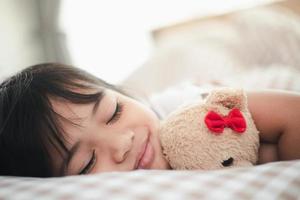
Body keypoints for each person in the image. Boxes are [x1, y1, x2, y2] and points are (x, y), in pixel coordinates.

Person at [0, 63, 299, 177]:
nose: (122, 143)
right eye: (87, 162)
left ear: (120, 93)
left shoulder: (186, 109)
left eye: (113, 112)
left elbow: (292, 114)